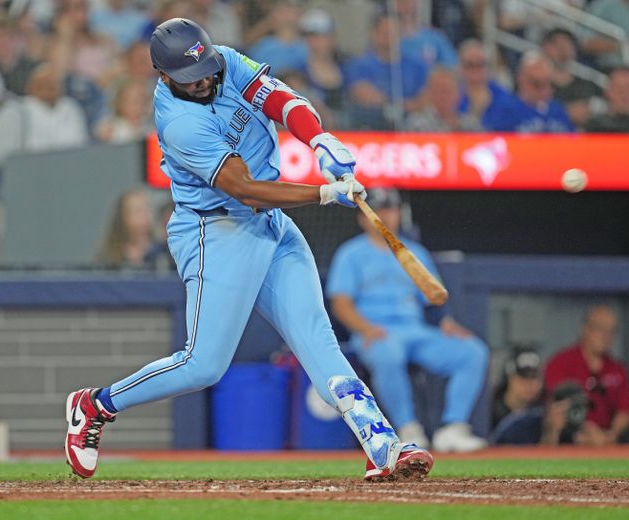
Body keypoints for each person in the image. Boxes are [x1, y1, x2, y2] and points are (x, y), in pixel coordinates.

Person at [63, 18, 432, 481]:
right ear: (164, 77)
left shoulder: (222, 63)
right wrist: (323, 193)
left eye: (206, 70)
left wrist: (317, 138)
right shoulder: (179, 123)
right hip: (216, 232)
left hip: (270, 223)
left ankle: (383, 444)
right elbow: (246, 190)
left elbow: (281, 99)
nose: (203, 81)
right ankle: (95, 405)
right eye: (188, 78)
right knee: (203, 366)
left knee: (318, 339)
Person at [327, 188, 489, 453]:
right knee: (387, 354)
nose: (384, 216)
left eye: (390, 209)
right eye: (377, 210)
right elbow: (340, 303)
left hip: (415, 330)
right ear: (363, 218)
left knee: (472, 352)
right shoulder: (351, 254)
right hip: (376, 331)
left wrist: (446, 323)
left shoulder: (414, 252)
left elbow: (433, 298)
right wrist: (365, 329)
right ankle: (407, 428)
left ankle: (453, 428)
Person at [544, 306, 629, 446]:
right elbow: (555, 409)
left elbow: (625, 411)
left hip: (607, 441)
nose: (606, 336)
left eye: (612, 330)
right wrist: (588, 432)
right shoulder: (561, 363)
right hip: (568, 439)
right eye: (600, 328)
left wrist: (610, 435)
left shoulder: (617, 368)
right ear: (584, 328)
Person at [0, 63, 89, 166]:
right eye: (43, 85)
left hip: (70, 171)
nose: (51, 88)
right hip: (30, 173)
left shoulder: (72, 109)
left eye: (55, 84)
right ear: (29, 88)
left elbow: (82, 148)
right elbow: (3, 157)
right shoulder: (14, 112)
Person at [483, 51, 575, 133]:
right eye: (537, 84)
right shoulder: (505, 110)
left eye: (547, 83)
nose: (544, 90)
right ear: (521, 79)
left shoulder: (558, 111)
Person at [540, 28, 603, 129]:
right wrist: (566, 112)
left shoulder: (587, 85)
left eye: (567, 45)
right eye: (557, 45)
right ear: (545, 48)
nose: (563, 50)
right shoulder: (537, 86)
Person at [95, 188, 165, 269]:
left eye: (147, 209)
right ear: (123, 217)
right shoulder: (109, 255)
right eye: (138, 211)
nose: (144, 215)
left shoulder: (163, 252)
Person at [407, 66, 483, 132]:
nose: (442, 96)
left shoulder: (471, 124)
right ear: (429, 94)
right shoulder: (417, 125)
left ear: (458, 93)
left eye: (447, 91)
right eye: (437, 91)